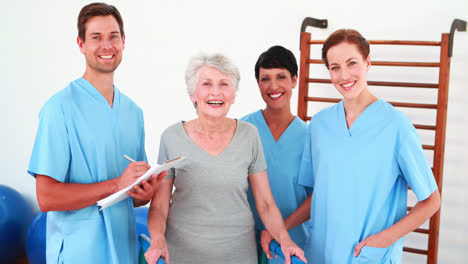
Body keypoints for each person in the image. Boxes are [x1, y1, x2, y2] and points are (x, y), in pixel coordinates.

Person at [261, 29, 441, 263]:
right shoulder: (320, 124)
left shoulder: (396, 126)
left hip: (367, 255)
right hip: (321, 253)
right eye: (335, 67)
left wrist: (385, 239)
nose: (343, 75)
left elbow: (431, 200)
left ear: (367, 62)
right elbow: (320, 195)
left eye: (351, 63)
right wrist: (280, 229)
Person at [28, 3, 165, 263]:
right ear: (81, 44)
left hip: (122, 249)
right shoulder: (59, 109)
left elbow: (130, 194)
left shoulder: (133, 113)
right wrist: (116, 184)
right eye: (96, 37)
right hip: (79, 252)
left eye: (113, 36)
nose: (106, 45)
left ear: (123, 41)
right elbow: (46, 197)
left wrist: (143, 194)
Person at [144, 53, 307, 264]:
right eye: (206, 84)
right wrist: (157, 240)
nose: (216, 92)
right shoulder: (171, 137)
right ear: (193, 94)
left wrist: (285, 239)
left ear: (233, 95)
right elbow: (159, 205)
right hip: (181, 254)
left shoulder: (249, 135)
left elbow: (266, 203)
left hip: (239, 254)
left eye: (224, 84)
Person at [241, 46, 311, 263]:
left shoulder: (310, 138)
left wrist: (279, 230)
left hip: (291, 244)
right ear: (258, 84)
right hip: (243, 242)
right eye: (265, 79)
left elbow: (316, 197)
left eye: (281, 77)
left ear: (294, 80)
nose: (273, 86)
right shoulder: (243, 129)